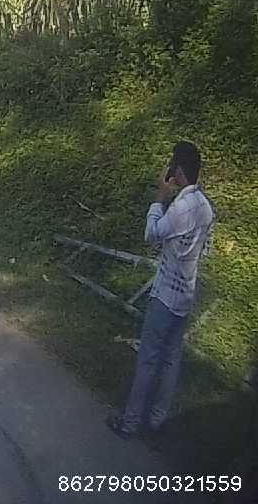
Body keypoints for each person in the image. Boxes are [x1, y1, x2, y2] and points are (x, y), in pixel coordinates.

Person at [108, 141, 215, 439]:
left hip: (165, 293)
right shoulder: (206, 207)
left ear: (176, 171)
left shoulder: (180, 207)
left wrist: (160, 198)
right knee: (171, 360)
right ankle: (157, 420)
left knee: (149, 359)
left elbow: (151, 234)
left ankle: (129, 422)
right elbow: (205, 249)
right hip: (186, 294)